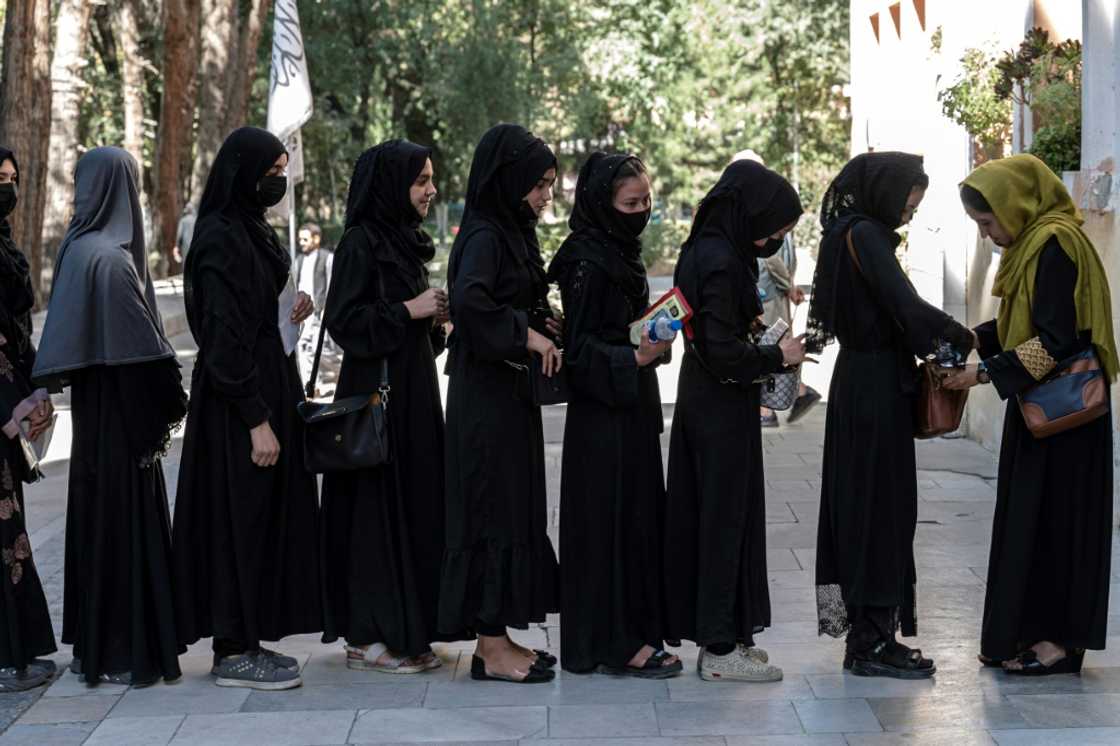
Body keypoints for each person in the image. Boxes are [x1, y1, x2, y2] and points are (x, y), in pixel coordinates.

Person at [942, 154, 1114, 675]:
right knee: (1031, 525)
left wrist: (984, 373)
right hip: (1040, 410)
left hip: (1066, 420)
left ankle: (1058, 643)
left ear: (1017, 205)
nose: (990, 235)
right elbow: (1028, 321)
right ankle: (1026, 634)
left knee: (1056, 527)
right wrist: (975, 338)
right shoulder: (1032, 247)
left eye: (989, 222)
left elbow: (1058, 339)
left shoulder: (1055, 244)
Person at [805, 152, 973, 679]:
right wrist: (958, 334)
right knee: (883, 510)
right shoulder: (868, 237)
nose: (907, 216)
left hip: (855, 383)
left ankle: (859, 635)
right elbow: (903, 305)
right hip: (877, 387)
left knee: (853, 507)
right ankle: (875, 641)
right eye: (907, 203)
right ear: (881, 192)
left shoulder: (839, 237)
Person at [32, 147, 187, 686]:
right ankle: (125, 650)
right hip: (124, 430)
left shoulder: (77, 250)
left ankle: (95, 648)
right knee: (125, 534)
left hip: (96, 426)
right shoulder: (113, 261)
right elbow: (143, 359)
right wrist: (171, 404)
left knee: (96, 531)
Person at [173, 127, 319, 691]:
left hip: (266, 388)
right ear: (243, 173)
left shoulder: (251, 231)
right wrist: (257, 419)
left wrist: (292, 306)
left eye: (282, 169)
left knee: (262, 520)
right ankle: (233, 649)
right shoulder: (218, 238)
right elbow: (222, 337)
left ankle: (251, 639)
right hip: (238, 407)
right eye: (271, 171)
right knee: (237, 520)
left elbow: (258, 308)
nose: (278, 181)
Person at [664, 159, 805, 682]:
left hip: (708, 402)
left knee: (721, 517)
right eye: (776, 229)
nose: (774, 239)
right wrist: (777, 356)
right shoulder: (722, 260)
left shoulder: (705, 249)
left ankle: (726, 639)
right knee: (723, 521)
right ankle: (721, 649)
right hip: (720, 407)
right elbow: (722, 349)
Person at [321, 140, 455, 672]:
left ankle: (409, 628)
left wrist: (436, 323)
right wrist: (408, 309)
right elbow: (346, 324)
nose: (430, 190)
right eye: (420, 180)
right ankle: (367, 634)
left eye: (430, 180)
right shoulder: (360, 242)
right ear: (390, 185)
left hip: (413, 398)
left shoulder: (406, 243)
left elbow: (410, 329)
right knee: (375, 517)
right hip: (375, 401)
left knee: (414, 509)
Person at [547, 152, 681, 678]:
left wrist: (651, 339)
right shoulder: (586, 259)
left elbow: (623, 327)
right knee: (609, 530)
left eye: (647, 200)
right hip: (601, 421)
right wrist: (633, 356)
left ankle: (633, 632)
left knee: (636, 525)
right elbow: (579, 354)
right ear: (603, 203)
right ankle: (615, 642)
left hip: (632, 408)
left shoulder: (622, 251)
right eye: (631, 202)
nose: (642, 210)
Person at [440, 123, 562, 684]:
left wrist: (542, 322)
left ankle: (500, 635)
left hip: (507, 397)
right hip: (485, 401)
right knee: (491, 510)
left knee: (512, 508)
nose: (545, 195)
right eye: (538, 184)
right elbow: (470, 304)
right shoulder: (486, 235)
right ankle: (489, 648)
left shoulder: (507, 230)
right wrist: (525, 334)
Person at [0, 147, 57, 692]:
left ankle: (16, 655)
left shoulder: (5, 247)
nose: (7, 187)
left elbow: (17, 328)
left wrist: (36, 388)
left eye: (12, 178)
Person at [757, 234, 821, 427]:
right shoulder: (784, 230)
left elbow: (771, 259)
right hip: (775, 296)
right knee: (775, 348)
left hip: (769, 299)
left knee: (767, 347)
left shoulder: (766, 226)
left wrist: (789, 287)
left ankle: (767, 411)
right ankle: (801, 391)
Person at [294, 222, 340, 393]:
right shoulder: (299, 260)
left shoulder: (327, 257)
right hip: (303, 315)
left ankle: (341, 371)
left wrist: (328, 308)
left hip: (319, 313)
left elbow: (332, 285)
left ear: (316, 239)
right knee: (303, 349)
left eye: (305, 239)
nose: (302, 242)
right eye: (300, 239)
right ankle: (312, 385)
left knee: (319, 350)